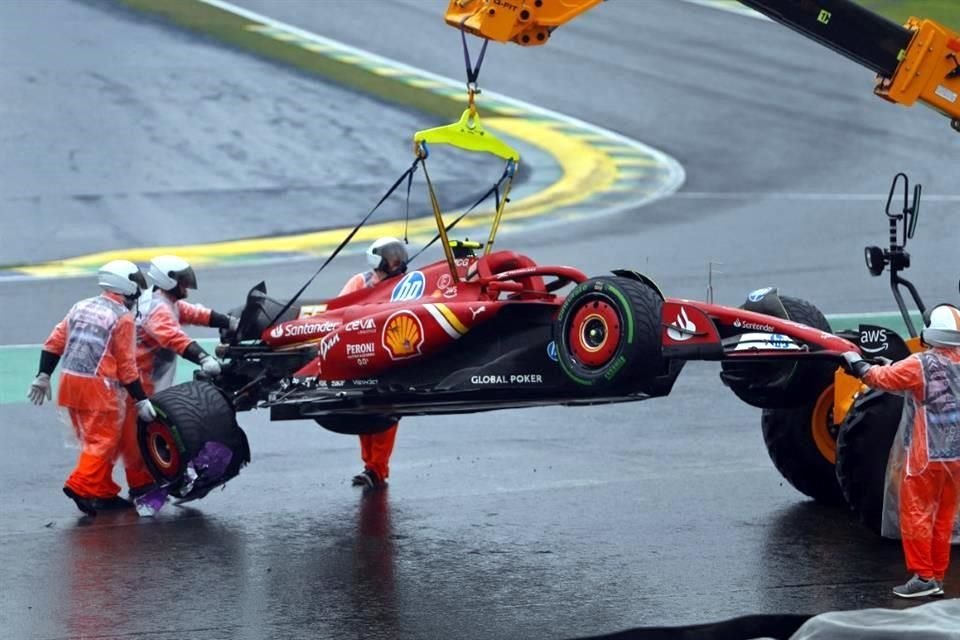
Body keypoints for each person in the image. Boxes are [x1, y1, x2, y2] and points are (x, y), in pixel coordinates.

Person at [843, 303, 960, 599]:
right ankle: (937, 575)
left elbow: (880, 380)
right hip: (956, 457)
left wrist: (857, 364)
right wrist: (893, 365)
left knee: (917, 515)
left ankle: (923, 577)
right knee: (944, 518)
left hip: (927, 457)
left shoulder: (921, 364)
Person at [28, 260, 157, 516]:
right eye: (135, 280)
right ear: (124, 283)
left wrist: (43, 375)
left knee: (96, 439)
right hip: (98, 388)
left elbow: (54, 342)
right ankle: (81, 485)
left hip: (69, 384)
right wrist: (141, 399)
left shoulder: (81, 306)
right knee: (105, 441)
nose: (139, 286)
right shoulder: (122, 318)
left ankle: (102, 492)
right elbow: (126, 367)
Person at [122, 255, 238, 515]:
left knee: (143, 433)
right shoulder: (157, 309)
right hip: (136, 381)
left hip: (147, 378)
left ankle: (146, 483)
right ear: (167, 281)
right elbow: (173, 337)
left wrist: (230, 322)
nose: (186, 286)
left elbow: (193, 313)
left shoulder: (164, 300)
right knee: (138, 437)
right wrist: (203, 357)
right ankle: (141, 488)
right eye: (182, 282)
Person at [340, 237, 408, 489]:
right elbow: (337, 312)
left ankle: (376, 469)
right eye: (391, 257)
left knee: (385, 412)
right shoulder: (359, 282)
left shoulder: (407, 284)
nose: (395, 262)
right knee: (364, 410)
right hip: (360, 353)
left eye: (397, 257)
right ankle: (370, 465)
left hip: (390, 354)